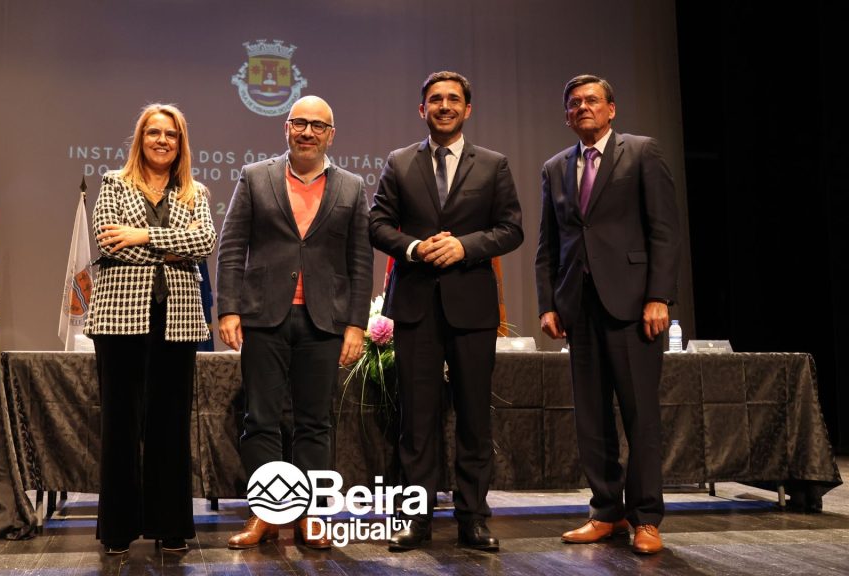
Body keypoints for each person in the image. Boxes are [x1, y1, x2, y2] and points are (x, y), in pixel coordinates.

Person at [369, 71, 524, 551]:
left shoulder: (493, 164)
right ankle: (414, 519)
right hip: (415, 305)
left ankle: (473, 518)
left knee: (475, 418)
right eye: (435, 99)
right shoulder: (399, 162)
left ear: (467, 109)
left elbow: (511, 228)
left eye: (453, 99)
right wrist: (415, 248)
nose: (444, 106)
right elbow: (377, 224)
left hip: (472, 307)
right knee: (417, 420)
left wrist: (465, 247)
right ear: (422, 109)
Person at [216, 95, 372, 550]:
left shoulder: (352, 187)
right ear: (286, 128)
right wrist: (229, 308)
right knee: (261, 420)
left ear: (331, 135)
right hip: (264, 317)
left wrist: (356, 324)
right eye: (299, 123)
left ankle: (310, 515)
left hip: (325, 322)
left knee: (315, 423)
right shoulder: (255, 176)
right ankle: (266, 514)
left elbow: (361, 261)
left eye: (318, 126)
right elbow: (232, 245)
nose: (308, 132)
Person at [534, 75, 680, 555]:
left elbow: (663, 231)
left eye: (592, 100)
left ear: (611, 108)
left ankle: (646, 518)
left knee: (640, 416)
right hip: (579, 308)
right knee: (591, 418)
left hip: (634, 307)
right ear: (566, 115)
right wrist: (548, 304)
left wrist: (659, 296)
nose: (583, 107)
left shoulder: (642, 152)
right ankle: (606, 512)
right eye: (574, 103)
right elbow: (549, 244)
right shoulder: (555, 167)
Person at [83, 103, 216, 554]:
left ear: (181, 144)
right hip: (120, 319)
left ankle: (170, 524)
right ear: (140, 139)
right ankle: (118, 528)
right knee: (120, 423)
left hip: (176, 319)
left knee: (170, 424)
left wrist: (142, 235)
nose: (162, 140)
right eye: (154, 133)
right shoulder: (114, 184)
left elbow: (204, 242)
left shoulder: (196, 192)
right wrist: (172, 250)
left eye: (171, 134)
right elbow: (110, 243)